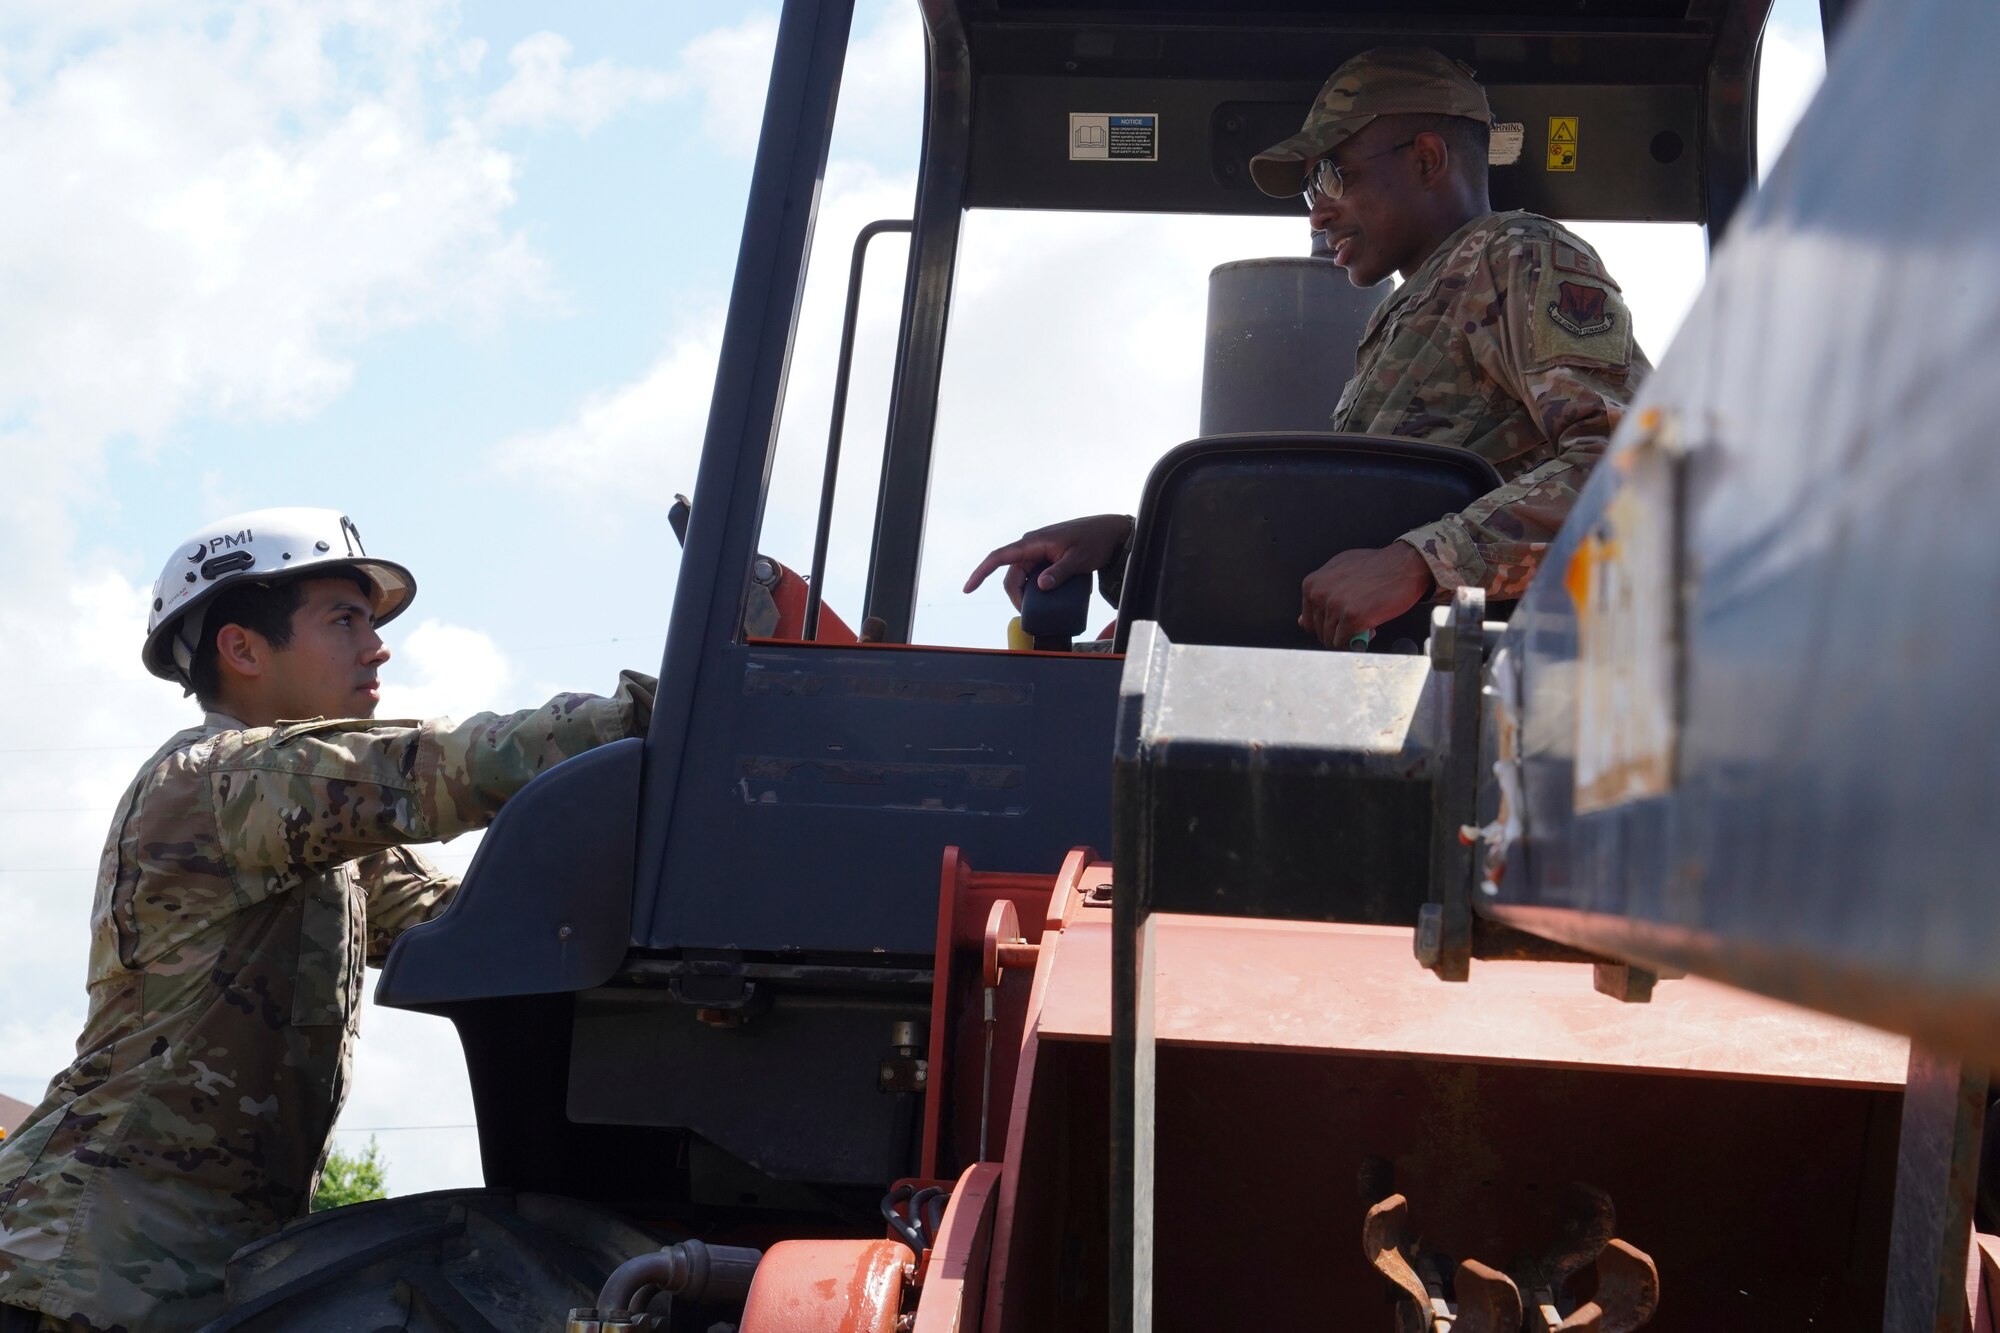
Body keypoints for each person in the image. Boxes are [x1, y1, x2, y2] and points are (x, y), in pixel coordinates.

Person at [0, 508, 654, 1332]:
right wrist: (655, 719)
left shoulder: (315, 841)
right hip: (81, 1274)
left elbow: (464, 925)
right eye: (345, 620)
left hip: (187, 1270)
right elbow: (424, 769)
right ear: (241, 649)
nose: (376, 646)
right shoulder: (214, 784)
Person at [964, 47, 1649, 649]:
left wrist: (1421, 563)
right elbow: (1330, 571)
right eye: (1308, 188)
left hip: (1499, 732)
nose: (1316, 210)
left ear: (1427, 159)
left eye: (1332, 175)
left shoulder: (1517, 255)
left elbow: (1640, 472)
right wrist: (1132, 549)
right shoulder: (1409, 318)